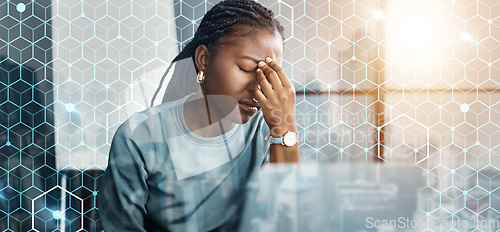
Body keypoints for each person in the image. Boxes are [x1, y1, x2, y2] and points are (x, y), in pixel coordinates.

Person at [98, 0, 299, 231]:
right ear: (203, 59)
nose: (259, 88)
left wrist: (285, 128)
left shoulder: (268, 133)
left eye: (270, 75)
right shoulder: (140, 136)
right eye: (246, 68)